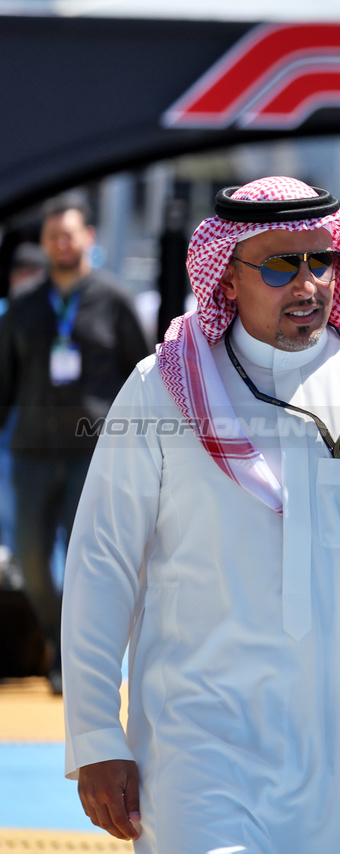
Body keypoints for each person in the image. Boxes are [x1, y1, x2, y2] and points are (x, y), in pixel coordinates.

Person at [61, 177, 340, 852]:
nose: (308, 284)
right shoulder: (163, 388)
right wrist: (94, 733)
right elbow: (102, 562)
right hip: (199, 751)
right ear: (227, 278)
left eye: (322, 261)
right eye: (280, 265)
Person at [0, 193, 149, 694]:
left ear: (89, 237)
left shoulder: (115, 299)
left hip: (95, 454)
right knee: (33, 560)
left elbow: (144, 375)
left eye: (70, 234)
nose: (61, 243)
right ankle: (56, 638)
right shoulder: (23, 307)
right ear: (43, 243)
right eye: (52, 236)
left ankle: (77, 660)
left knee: (91, 562)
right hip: (32, 454)